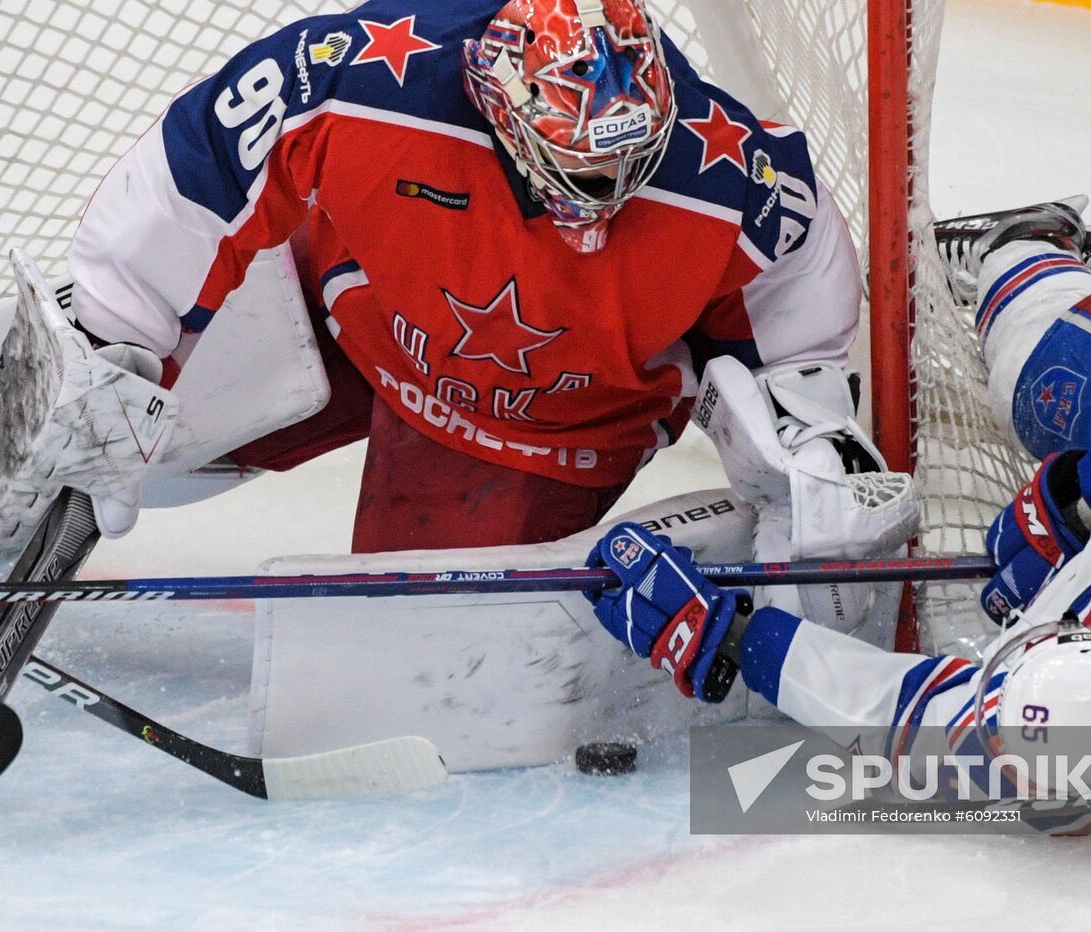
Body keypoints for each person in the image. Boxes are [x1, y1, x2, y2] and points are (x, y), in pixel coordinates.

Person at [59, 0, 880, 594]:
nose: (602, 205)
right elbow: (200, 169)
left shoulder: (735, 179)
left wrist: (806, 443)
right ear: (502, 110)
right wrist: (109, 338)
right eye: (582, 172)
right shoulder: (362, 78)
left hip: (541, 420)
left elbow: (791, 321)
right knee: (81, 419)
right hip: (345, 304)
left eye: (629, 167)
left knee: (415, 650)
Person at [584, 187, 1091, 832]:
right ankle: (1044, 257)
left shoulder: (1055, 760)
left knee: (1055, 392)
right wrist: (1084, 493)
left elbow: (892, 708)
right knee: (1044, 382)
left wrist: (724, 635)